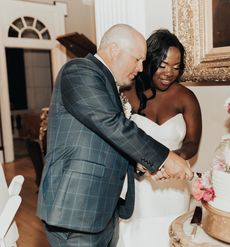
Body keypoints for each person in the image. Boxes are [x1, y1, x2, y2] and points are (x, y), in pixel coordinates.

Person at [36, 24, 193, 247]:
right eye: (137, 59)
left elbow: (108, 142)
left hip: (104, 210)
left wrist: (143, 165)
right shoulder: (79, 71)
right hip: (77, 210)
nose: (141, 68)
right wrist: (165, 157)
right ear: (113, 49)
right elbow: (112, 125)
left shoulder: (108, 83)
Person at [117, 29, 202, 246]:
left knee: (172, 236)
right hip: (140, 186)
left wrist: (173, 158)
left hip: (174, 185)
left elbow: (192, 142)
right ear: (148, 61)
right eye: (162, 65)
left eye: (176, 67)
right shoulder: (126, 94)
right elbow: (118, 137)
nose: (169, 73)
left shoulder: (186, 97)